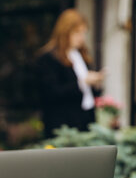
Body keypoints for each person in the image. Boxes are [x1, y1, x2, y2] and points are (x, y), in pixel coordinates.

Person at [36, 8, 105, 138]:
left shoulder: (81, 56)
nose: (81, 38)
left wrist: (95, 83)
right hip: (63, 125)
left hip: (86, 120)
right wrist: (82, 82)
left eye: (84, 33)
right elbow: (51, 93)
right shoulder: (48, 59)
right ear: (65, 32)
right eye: (77, 33)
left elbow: (87, 95)